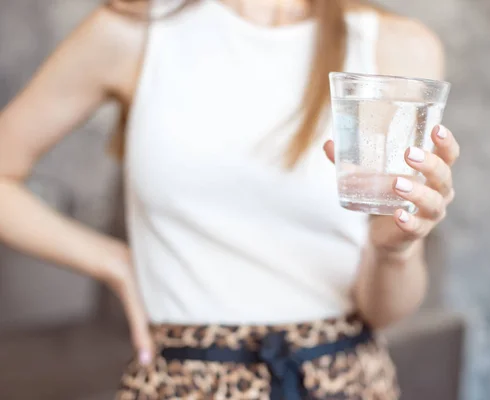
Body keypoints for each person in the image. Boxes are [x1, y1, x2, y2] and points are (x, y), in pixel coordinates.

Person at [0, 0, 460, 398]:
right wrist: (111, 259)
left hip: (345, 382)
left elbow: (383, 313)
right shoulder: (133, 33)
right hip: (181, 383)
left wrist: (392, 249)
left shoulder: (398, 46)